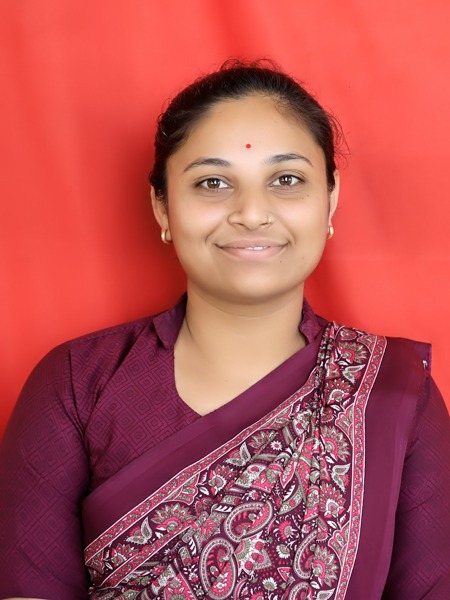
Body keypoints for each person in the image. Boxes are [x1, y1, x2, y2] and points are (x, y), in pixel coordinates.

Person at [0, 60, 449, 600]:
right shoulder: (79, 384)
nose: (252, 213)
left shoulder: (393, 392)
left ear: (330, 200)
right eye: (212, 183)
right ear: (162, 207)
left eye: (286, 180)